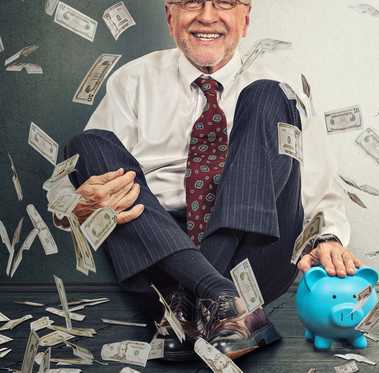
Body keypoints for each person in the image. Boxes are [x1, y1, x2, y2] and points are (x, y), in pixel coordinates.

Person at [53, 0, 362, 361]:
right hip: (161, 249)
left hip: (258, 250)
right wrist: (75, 204)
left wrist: (326, 237)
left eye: (224, 3)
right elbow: (79, 191)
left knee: (268, 94)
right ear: (171, 17)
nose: (207, 16)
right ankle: (222, 303)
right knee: (87, 145)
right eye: (191, 3)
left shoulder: (285, 84)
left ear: (244, 19)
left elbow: (319, 184)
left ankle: (197, 304)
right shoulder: (132, 80)